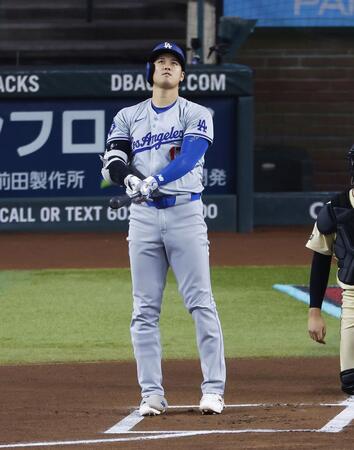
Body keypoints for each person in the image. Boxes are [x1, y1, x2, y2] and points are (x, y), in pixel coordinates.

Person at [100, 41, 226, 416]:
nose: (167, 66)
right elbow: (114, 160)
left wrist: (153, 179)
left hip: (185, 213)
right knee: (144, 309)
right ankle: (151, 393)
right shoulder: (128, 116)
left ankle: (213, 390)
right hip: (142, 217)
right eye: (160, 62)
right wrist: (129, 181)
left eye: (174, 63)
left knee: (201, 302)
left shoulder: (197, 112)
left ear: (183, 74)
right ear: (150, 72)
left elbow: (190, 157)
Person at [306, 145, 354, 396]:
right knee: (351, 382)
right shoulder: (336, 209)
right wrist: (315, 312)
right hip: (353, 300)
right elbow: (321, 260)